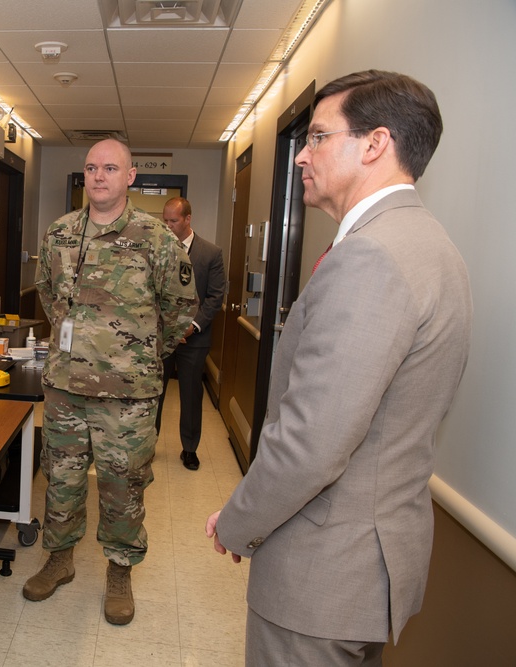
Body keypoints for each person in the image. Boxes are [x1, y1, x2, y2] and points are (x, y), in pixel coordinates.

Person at [206, 71, 472, 664]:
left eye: (320, 137)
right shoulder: (431, 247)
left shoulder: (371, 259)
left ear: (374, 144)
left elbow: (315, 442)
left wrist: (238, 520)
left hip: (323, 572)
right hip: (367, 562)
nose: (303, 154)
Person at [25, 139, 197, 625]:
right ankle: (59, 560)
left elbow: (181, 310)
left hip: (129, 396)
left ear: (130, 176)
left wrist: (140, 356)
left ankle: (120, 570)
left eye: (110, 168)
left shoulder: (155, 238)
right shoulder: (59, 234)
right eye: (91, 168)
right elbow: (46, 293)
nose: (99, 176)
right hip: (64, 388)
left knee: (124, 485)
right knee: (61, 478)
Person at [154, 197, 226, 470]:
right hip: (162, 337)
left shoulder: (210, 253)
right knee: (154, 392)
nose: (168, 226)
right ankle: (149, 444)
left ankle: (190, 448)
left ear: (188, 219)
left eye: (173, 221)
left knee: (191, 395)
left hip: (194, 339)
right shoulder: (158, 250)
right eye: (166, 220)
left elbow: (215, 297)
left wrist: (192, 326)